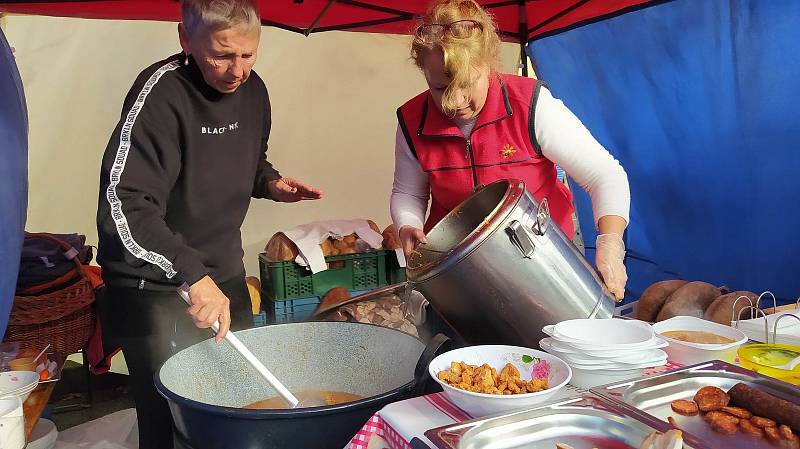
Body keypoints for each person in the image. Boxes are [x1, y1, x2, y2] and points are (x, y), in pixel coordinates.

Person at [95, 0, 322, 446]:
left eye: (248, 54)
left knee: (239, 402)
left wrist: (270, 182)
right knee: (168, 417)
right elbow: (125, 202)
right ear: (186, 38)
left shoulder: (254, 91)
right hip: (154, 282)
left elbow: (248, 159)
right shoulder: (162, 93)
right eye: (222, 54)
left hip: (222, 272)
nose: (237, 70)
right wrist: (191, 275)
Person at [391, 0, 630, 299]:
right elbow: (408, 193)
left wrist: (610, 242)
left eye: (466, 83)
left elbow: (604, 175)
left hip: (544, 263)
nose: (455, 101)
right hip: (459, 267)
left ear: (488, 64)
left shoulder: (530, 104)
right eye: (439, 88)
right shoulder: (411, 120)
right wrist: (408, 225)